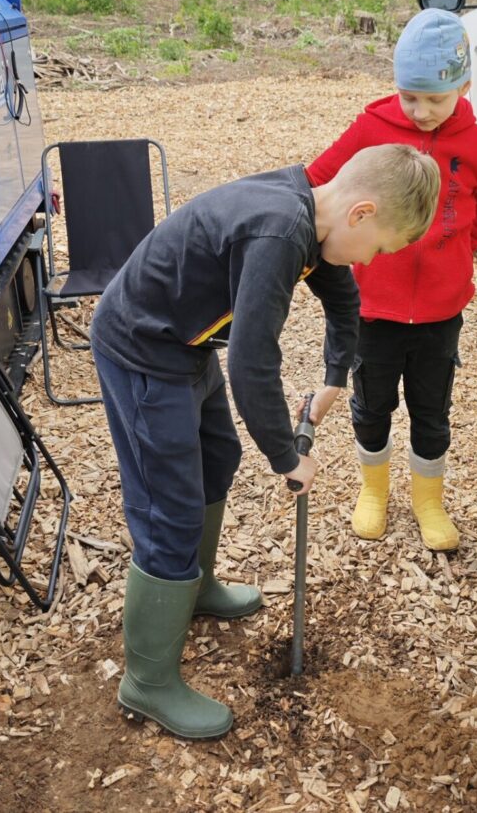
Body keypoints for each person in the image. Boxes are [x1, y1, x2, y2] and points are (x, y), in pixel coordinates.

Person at [90, 143, 440, 740]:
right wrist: (288, 455)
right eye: (380, 247)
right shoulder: (281, 232)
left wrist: (335, 377)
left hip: (184, 343)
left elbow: (342, 298)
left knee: (218, 456)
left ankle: (194, 587)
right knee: (166, 507)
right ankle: (146, 683)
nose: (374, 260)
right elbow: (253, 359)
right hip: (142, 349)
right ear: (360, 213)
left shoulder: (311, 211)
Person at [305, 9, 477, 551]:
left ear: (464, 86)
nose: (419, 112)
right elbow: (316, 183)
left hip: (441, 312)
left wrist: (452, 251)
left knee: (431, 406)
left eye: (434, 100)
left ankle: (428, 500)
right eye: (408, 97)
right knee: (371, 405)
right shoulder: (371, 127)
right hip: (374, 307)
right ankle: (373, 491)